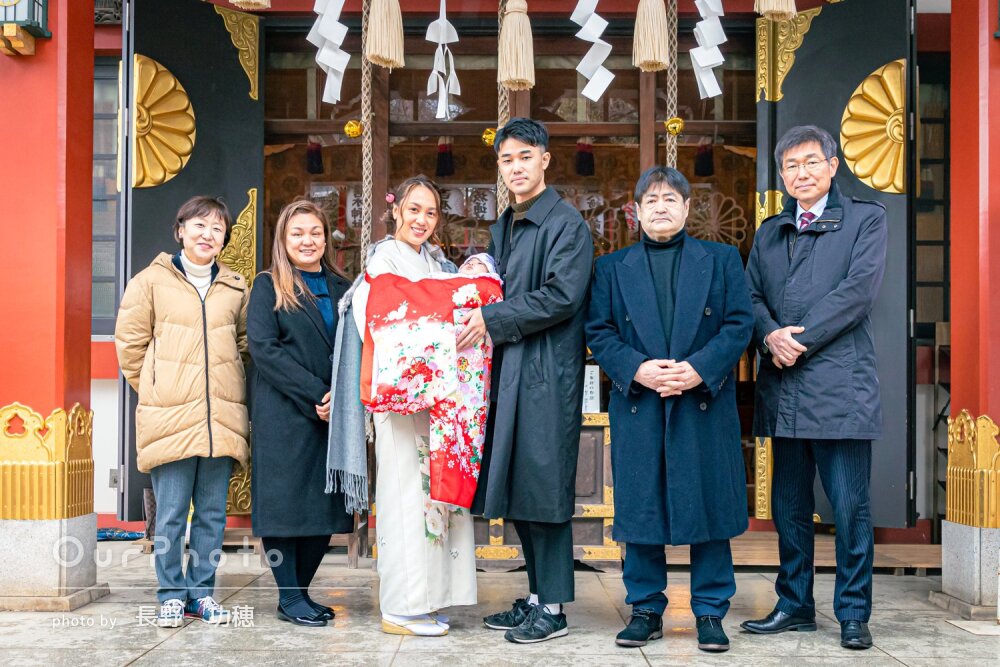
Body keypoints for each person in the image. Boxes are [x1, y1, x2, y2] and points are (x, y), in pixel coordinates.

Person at [585, 166, 753, 653]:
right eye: (651, 200)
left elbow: (739, 324)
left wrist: (701, 368)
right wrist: (637, 369)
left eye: (670, 199)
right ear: (636, 212)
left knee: (708, 505)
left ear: (686, 208)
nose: (660, 207)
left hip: (701, 401)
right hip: (640, 401)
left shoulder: (720, 260)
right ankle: (645, 607)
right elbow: (598, 331)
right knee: (640, 507)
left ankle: (710, 611)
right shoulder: (612, 267)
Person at [741, 125, 887, 650]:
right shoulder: (771, 230)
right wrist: (768, 334)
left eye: (809, 163)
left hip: (839, 389)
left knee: (849, 507)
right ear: (781, 176)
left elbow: (857, 294)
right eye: (790, 167)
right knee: (789, 507)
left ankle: (853, 612)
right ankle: (795, 604)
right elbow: (750, 293)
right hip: (783, 391)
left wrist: (796, 340)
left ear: (832, 166)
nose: (800, 174)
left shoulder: (865, 220)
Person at [460, 118, 594, 644]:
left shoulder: (566, 224)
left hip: (545, 374)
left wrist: (491, 320)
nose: (514, 167)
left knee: (546, 491)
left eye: (523, 157)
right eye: (505, 160)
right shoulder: (509, 223)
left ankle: (555, 608)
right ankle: (537, 597)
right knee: (521, 489)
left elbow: (563, 296)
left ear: (545, 159)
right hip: (509, 373)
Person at [343, 175, 478, 637]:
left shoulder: (436, 262)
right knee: (405, 497)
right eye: (414, 209)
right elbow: (376, 322)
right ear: (395, 210)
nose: (422, 220)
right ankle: (401, 606)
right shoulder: (383, 260)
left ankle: (432, 599)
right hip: (401, 401)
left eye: (431, 212)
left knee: (436, 499)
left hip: (436, 401)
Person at [115, 195, 250, 627]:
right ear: (180, 230)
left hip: (219, 420)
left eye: (217, 228)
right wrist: (158, 389)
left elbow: (245, 347)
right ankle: (171, 593)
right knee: (171, 515)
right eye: (200, 225)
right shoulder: (149, 282)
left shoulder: (235, 286)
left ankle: (201, 593)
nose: (208, 234)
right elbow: (130, 349)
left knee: (212, 515)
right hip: (171, 417)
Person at [247, 199, 354, 628]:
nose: (307, 241)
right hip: (286, 413)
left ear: (326, 238)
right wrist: (318, 394)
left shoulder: (343, 287)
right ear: (283, 240)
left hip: (333, 417)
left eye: (315, 233)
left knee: (322, 508)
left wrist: (342, 398)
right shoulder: (268, 285)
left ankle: (301, 592)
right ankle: (289, 596)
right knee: (284, 506)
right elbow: (264, 350)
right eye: (298, 234)